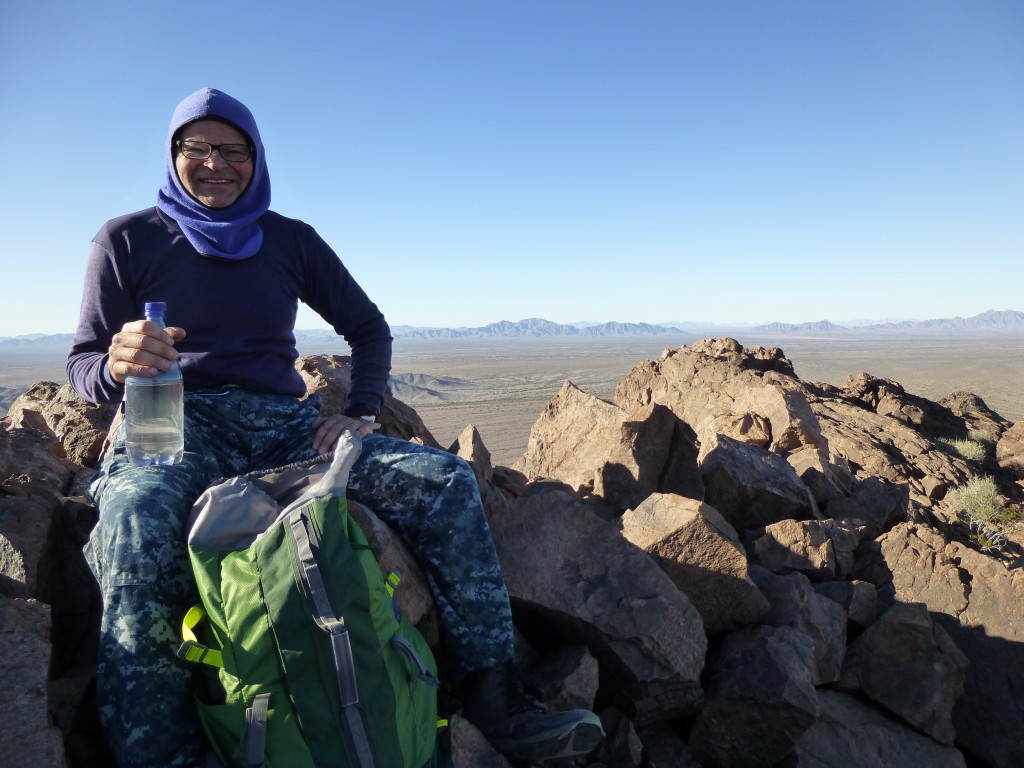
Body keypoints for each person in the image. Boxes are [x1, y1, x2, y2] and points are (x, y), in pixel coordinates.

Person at [67, 87, 603, 768]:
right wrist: (116, 364)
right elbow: (83, 363)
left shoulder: (290, 240)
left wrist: (360, 410)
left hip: (281, 429)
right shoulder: (125, 239)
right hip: (171, 424)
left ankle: (493, 694)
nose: (214, 164)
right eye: (196, 148)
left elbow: (368, 327)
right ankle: (161, 750)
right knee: (136, 517)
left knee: (444, 483)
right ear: (173, 155)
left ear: (256, 160)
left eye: (233, 150)